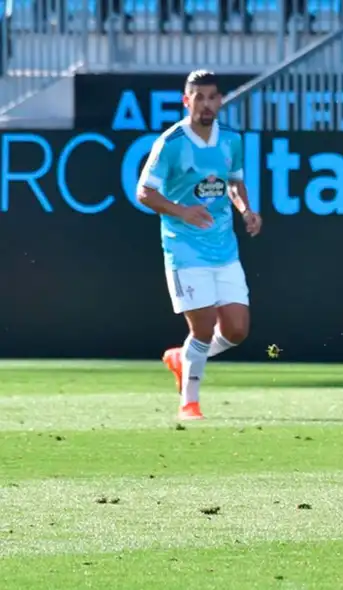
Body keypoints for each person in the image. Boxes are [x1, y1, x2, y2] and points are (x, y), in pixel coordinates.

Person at [136, 69, 263, 421]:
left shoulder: (231, 140)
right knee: (203, 328)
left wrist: (246, 210)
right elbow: (144, 192)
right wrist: (182, 211)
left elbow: (234, 183)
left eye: (212, 97)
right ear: (186, 100)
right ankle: (188, 403)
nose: (206, 104)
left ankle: (183, 357)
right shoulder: (172, 142)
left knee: (237, 330)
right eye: (199, 97)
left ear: (220, 100)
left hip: (224, 247)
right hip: (184, 248)